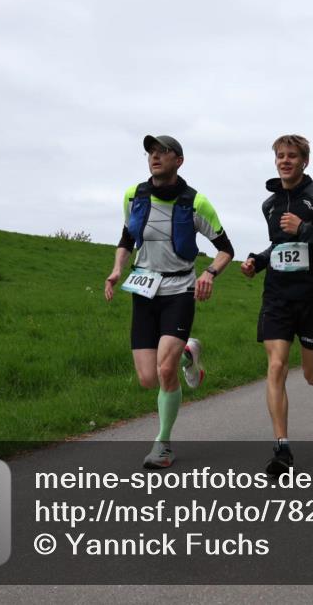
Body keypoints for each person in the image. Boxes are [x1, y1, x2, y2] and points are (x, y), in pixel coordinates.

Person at [105, 134, 234, 469]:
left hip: (179, 289)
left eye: (163, 152)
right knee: (148, 378)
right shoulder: (134, 195)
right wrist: (117, 269)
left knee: (165, 370)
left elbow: (226, 249)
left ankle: (162, 444)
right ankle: (188, 351)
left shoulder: (196, 203)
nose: (154, 156)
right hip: (143, 289)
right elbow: (126, 238)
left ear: (179, 160)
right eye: (151, 152)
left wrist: (209, 274)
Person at [241, 134, 313, 476]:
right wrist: (257, 261)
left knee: (311, 375)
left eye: (292, 156)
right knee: (276, 366)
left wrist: (305, 228)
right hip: (276, 296)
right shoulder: (270, 204)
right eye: (280, 156)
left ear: (305, 161)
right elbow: (278, 245)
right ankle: (282, 448)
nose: (285, 161)